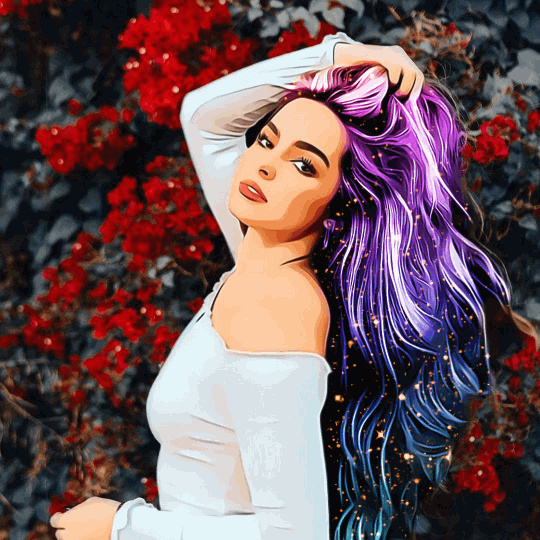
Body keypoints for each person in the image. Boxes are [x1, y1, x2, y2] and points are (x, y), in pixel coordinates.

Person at [50, 31, 539, 540]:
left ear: (339, 204)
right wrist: (338, 56)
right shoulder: (258, 256)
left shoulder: (279, 307)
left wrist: (123, 527)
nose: (266, 164)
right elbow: (202, 117)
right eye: (267, 139)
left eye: (304, 165)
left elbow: (293, 536)